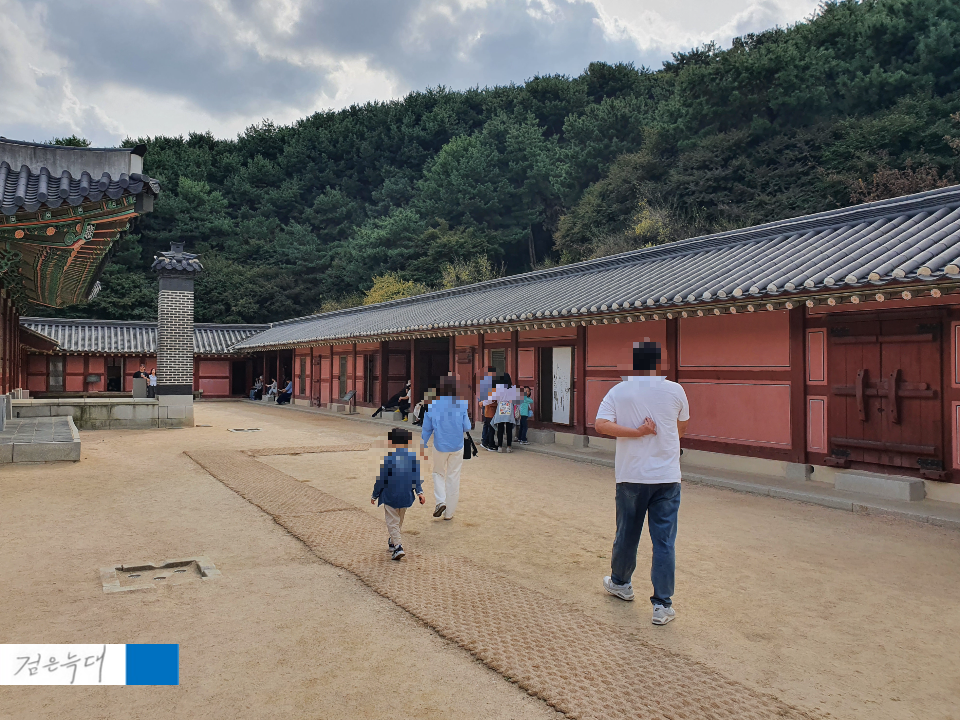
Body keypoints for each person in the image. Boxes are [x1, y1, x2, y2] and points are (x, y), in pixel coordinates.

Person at [594, 340, 690, 626]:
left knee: (627, 534)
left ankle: (621, 583)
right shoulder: (676, 390)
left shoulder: (619, 391)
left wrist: (637, 433)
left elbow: (601, 425)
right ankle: (662, 605)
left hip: (631, 475)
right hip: (667, 477)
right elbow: (681, 427)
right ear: (659, 363)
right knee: (664, 542)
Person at [420, 376, 472, 521]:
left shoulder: (432, 404)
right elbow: (467, 427)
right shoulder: (461, 404)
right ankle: (449, 513)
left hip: (440, 445)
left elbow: (427, 428)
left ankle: (441, 501)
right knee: (453, 477)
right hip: (457, 445)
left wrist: (423, 443)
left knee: (438, 473)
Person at [371, 427, 425, 560]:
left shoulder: (388, 459)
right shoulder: (412, 458)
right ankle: (392, 541)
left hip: (390, 495)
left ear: (391, 442)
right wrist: (420, 492)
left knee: (392, 522)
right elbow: (416, 478)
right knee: (399, 520)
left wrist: (374, 495)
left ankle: (398, 546)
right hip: (406, 495)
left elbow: (381, 480)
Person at [490, 373, 519, 453]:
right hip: (509, 407)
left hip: (501, 407)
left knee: (500, 428)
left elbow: (494, 398)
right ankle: (509, 447)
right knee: (509, 429)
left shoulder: (498, 388)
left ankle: (500, 446)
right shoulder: (513, 388)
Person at [477, 367, 497, 451]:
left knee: (488, 425)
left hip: (487, 408)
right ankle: (490, 444)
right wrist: (483, 403)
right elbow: (491, 398)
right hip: (490, 408)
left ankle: (485, 442)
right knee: (490, 427)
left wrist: (482, 403)